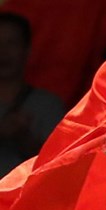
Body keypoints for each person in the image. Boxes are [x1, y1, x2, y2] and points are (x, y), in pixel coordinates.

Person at [0, 12, 64, 177]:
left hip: (28, 199)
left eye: (11, 43)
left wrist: (24, 137)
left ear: (27, 50)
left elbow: (60, 164)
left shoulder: (49, 105)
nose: (3, 52)